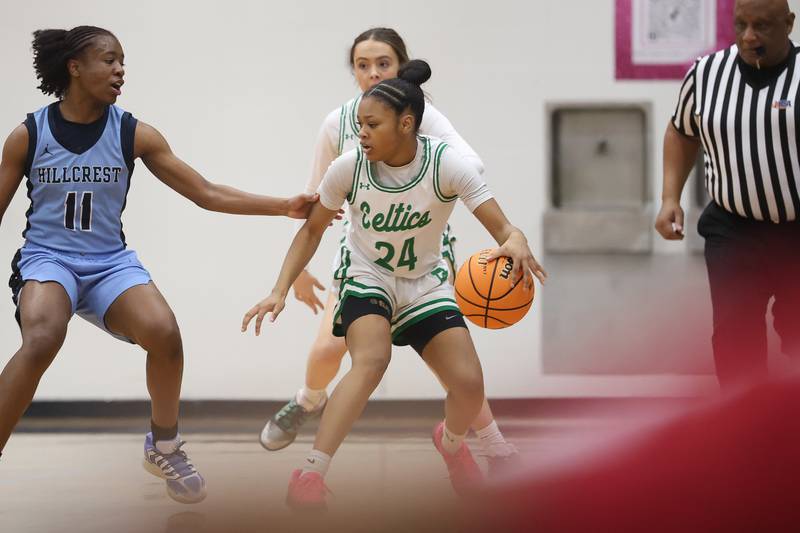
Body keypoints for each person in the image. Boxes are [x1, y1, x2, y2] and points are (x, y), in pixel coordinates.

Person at [0, 26, 319, 504]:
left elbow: (207, 193)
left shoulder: (134, 133)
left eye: (122, 61)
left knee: (165, 333)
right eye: (109, 60)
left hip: (109, 262)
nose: (119, 70)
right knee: (44, 336)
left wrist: (282, 206)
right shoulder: (29, 135)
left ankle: (164, 445)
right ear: (74, 67)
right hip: (49, 257)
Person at [242, 60, 547, 510]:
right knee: (370, 361)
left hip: (425, 281)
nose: (360, 133)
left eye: (371, 124)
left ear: (406, 124)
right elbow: (312, 230)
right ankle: (310, 471)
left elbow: (503, 227)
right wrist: (279, 288)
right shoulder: (349, 167)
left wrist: (516, 239)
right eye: (359, 124)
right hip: (369, 275)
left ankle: (451, 443)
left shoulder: (448, 165)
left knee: (468, 384)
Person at [656, 0, 800, 390]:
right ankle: (748, 442)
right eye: (742, 25)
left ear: (789, 23)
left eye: (763, 26)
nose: (750, 36)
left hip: (796, 232)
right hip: (734, 230)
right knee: (735, 337)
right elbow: (681, 131)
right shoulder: (706, 74)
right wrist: (671, 197)